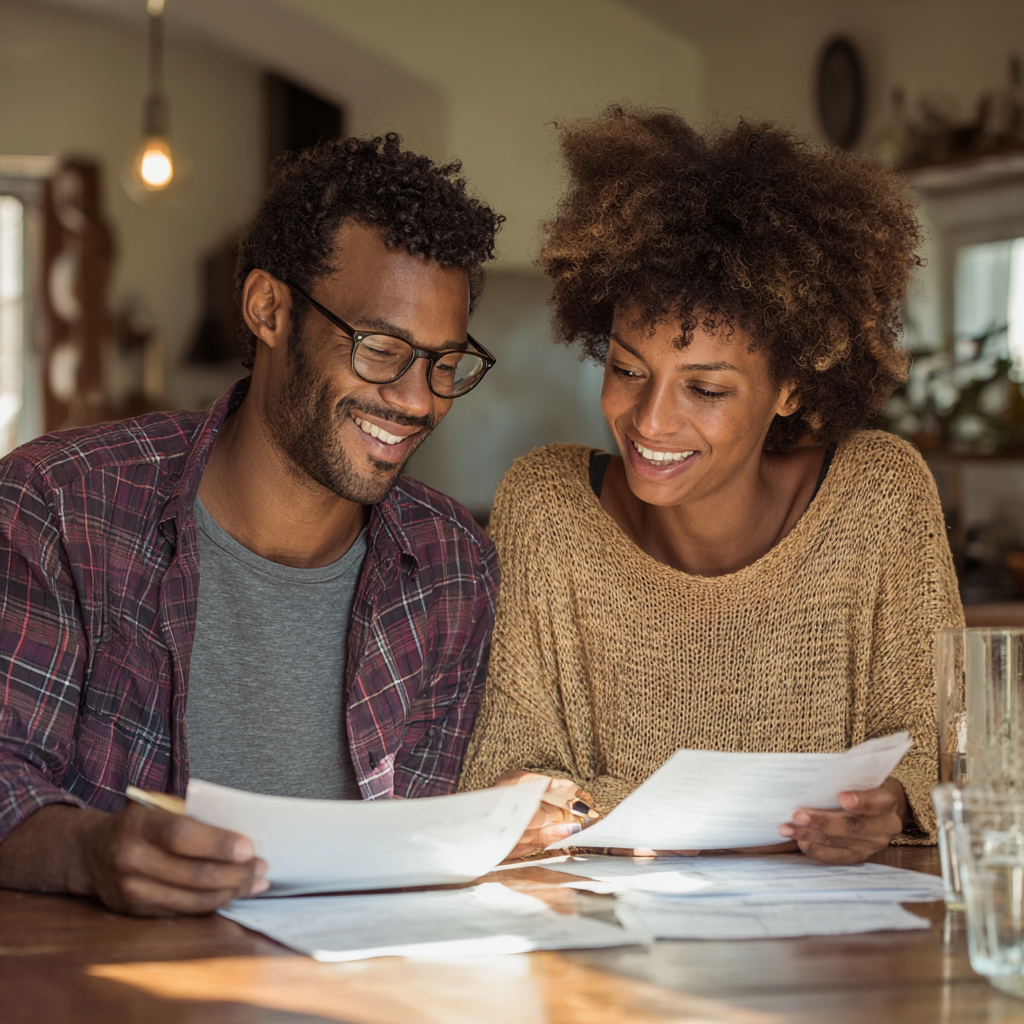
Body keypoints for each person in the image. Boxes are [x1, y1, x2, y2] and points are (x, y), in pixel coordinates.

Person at [0, 134, 506, 916]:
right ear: (269, 309)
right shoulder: (63, 504)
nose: (418, 401)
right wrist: (91, 853)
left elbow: (419, 846)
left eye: (444, 363)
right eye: (381, 348)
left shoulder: (451, 566)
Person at [459, 107, 963, 865]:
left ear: (789, 387)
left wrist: (890, 807)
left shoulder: (879, 499)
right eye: (628, 370)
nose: (651, 421)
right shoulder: (548, 506)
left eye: (707, 389)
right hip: (602, 959)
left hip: (841, 959)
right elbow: (507, 779)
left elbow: (944, 760)